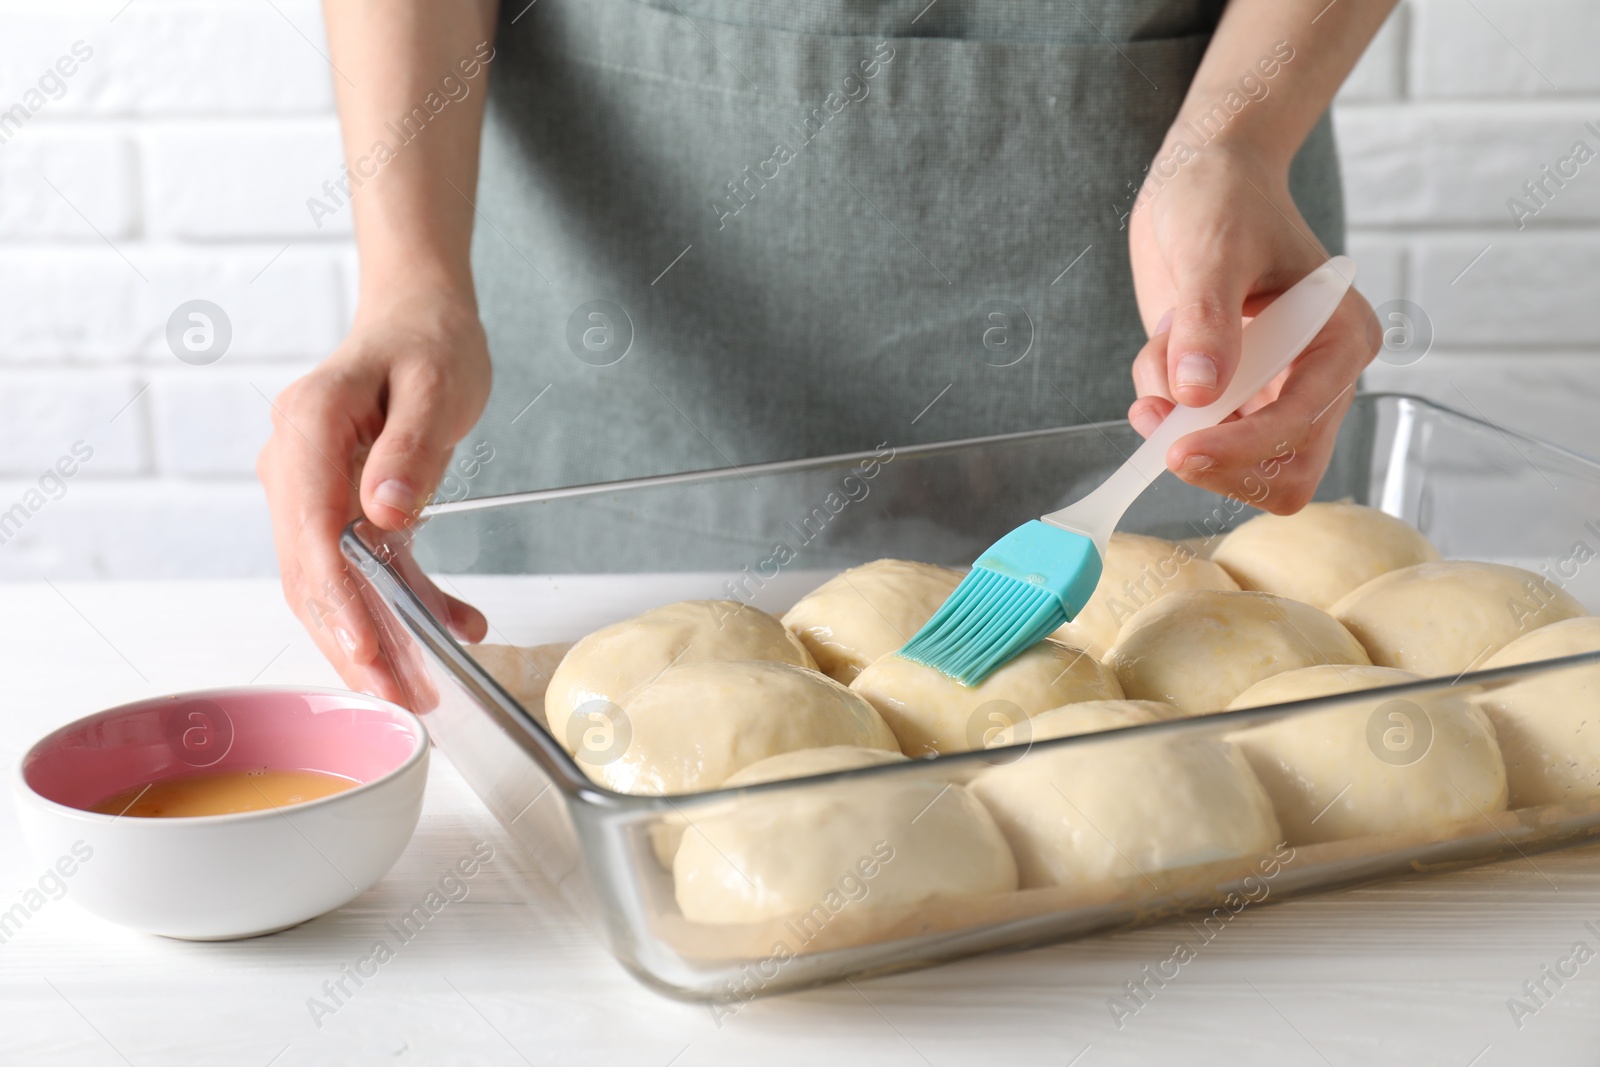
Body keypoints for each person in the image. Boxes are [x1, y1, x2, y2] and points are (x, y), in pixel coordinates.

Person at [259, 0, 1394, 701]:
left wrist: (1237, 138)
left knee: (1230, 679)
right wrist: (410, 283)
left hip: (1153, 237)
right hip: (628, 315)